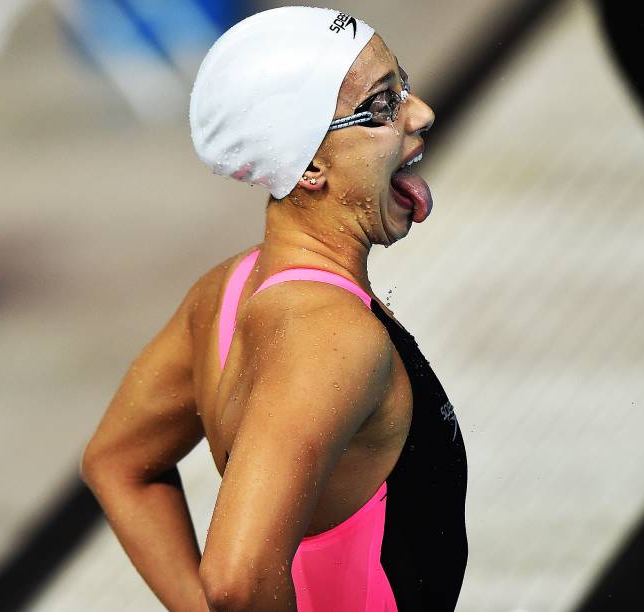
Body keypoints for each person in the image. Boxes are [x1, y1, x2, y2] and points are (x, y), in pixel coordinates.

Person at [80, 7, 467, 611]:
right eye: (384, 104)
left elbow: (118, 462)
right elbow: (235, 579)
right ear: (310, 164)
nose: (421, 114)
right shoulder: (331, 339)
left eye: (405, 86)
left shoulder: (226, 291)